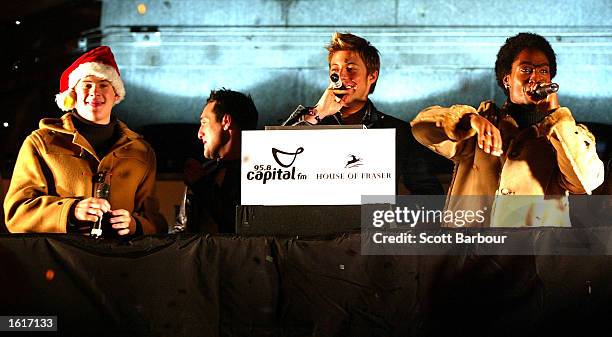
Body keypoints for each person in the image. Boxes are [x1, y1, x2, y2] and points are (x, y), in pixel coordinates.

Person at [410, 32, 604, 227]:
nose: (535, 78)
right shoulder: (482, 123)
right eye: (526, 69)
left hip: (532, 253)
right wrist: (468, 120)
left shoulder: (566, 135)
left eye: (543, 71)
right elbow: (420, 129)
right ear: (507, 80)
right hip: (473, 250)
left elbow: (586, 181)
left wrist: (556, 117)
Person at [4, 46, 166, 236]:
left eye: (104, 84)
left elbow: (155, 221)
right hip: (59, 261)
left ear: (116, 95)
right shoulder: (40, 144)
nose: (95, 91)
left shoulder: (142, 152)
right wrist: (71, 211)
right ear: (72, 95)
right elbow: (17, 214)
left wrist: (135, 225)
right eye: (87, 84)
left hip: (120, 263)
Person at [283, 32, 443, 195]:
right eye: (335, 70)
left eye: (351, 69)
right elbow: (273, 157)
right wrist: (317, 112)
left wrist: (392, 217)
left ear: (372, 76)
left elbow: (429, 193)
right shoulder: (312, 119)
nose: (341, 76)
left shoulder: (399, 132)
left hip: (370, 218)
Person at [179, 88, 258, 233]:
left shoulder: (262, 174)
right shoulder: (204, 172)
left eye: (204, 122)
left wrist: (202, 186)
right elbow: (181, 229)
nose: (199, 133)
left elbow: (246, 230)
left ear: (226, 121)